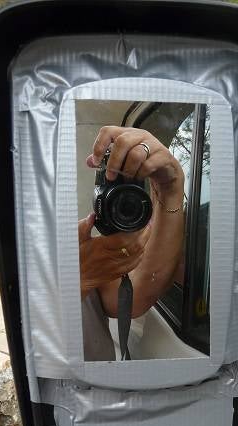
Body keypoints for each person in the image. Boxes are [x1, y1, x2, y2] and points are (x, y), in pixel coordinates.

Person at [78, 126, 185, 360]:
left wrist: (171, 187)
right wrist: (78, 279)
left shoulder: (76, 247)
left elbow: (134, 297)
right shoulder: (28, 247)